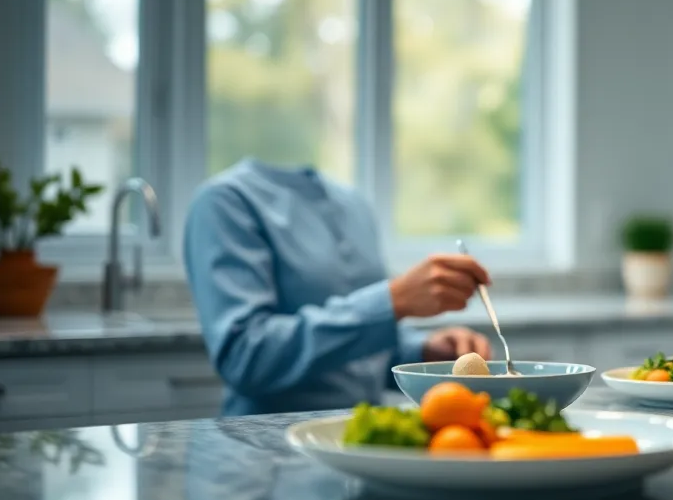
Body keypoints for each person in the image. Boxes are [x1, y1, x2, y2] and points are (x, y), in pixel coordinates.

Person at [183, 158, 491, 416]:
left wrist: (421, 349)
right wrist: (390, 302)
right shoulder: (224, 201)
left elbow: (356, 357)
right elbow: (245, 356)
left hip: (361, 441)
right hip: (264, 455)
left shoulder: (354, 204)